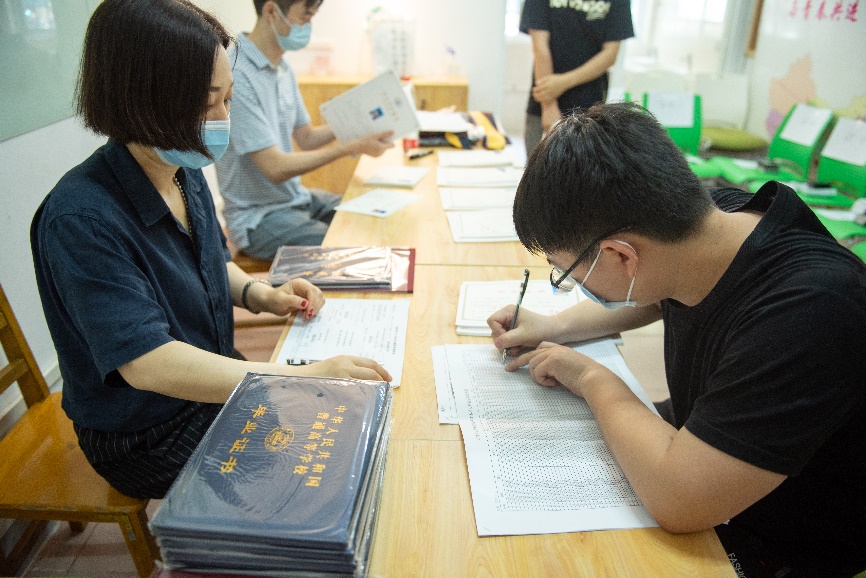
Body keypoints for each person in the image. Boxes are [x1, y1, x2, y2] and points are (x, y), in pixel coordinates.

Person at [30, 0, 391, 500]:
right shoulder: (81, 220)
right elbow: (149, 364)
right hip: (146, 432)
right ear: (139, 99)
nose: (223, 118)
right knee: (320, 471)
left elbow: (211, 261)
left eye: (229, 99)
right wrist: (299, 376)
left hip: (212, 383)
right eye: (206, 104)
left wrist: (263, 294)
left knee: (354, 435)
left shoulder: (181, 168)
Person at [488, 102, 866, 577]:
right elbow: (657, 292)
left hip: (788, 535)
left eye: (567, 272)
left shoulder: (809, 311)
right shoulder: (712, 223)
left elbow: (678, 500)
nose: (572, 284)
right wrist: (556, 325)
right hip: (713, 447)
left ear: (622, 256)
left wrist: (591, 377)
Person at [215, 0, 394, 261]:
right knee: (348, 247)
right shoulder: (237, 74)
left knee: (373, 216)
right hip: (258, 218)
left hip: (296, 199)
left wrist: (358, 123)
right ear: (271, 11)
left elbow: (306, 137)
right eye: (305, 17)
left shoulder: (282, 68)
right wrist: (351, 147)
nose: (308, 26)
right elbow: (275, 168)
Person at [519, 0, 634, 155]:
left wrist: (563, 83)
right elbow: (540, 47)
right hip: (543, 100)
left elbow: (610, 55)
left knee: (586, 164)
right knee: (536, 163)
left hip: (590, 106)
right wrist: (549, 105)